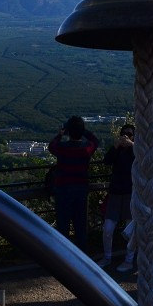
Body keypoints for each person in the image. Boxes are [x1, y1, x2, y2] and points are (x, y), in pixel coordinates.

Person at [47, 116, 99, 251]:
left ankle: (63, 255)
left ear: (68, 132)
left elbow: (51, 146)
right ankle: (82, 257)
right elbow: (95, 141)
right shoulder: (86, 149)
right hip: (81, 189)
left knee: (63, 226)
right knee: (80, 225)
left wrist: (60, 134)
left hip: (63, 190)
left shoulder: (62, 148)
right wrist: (83, 131)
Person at [98, 124, 135, 272]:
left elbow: (142, 157)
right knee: (108, 228)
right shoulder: (117, 151)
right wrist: (115, 147)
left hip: (130, 194)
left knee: (130, 230)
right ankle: (107, 257)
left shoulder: (136, 150)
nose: (126, 136)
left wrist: (132, 145)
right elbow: (106, 161)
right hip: (115, 194)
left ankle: (129, 260)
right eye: (123, 133)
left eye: (129, 134)